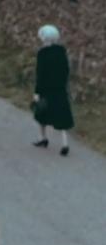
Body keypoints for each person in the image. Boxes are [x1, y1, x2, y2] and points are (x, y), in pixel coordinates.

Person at [32, 24, 74, 156]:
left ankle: (42, 138)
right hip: (60, 88)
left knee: (41, 112)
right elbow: (66, 70)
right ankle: (65, 143)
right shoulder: (62, 51)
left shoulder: (42, 53)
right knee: (62, 115)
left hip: (46, 88)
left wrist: (37, 91)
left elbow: (40, 73)